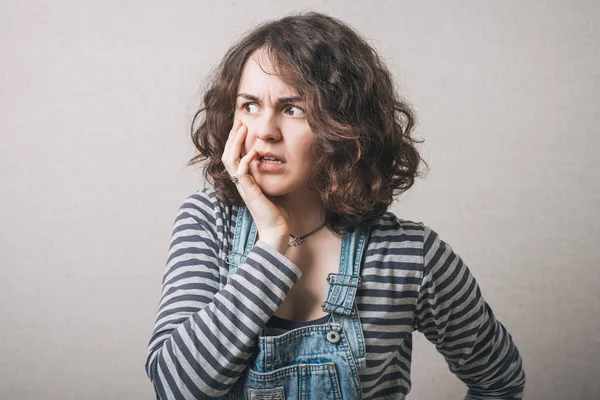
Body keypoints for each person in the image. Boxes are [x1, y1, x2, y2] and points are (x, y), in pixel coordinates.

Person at [144, 11, 526, 400]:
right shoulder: (208, 222)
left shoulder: (409, 256)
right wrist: (271, 243)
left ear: (344, 125)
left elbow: (499, 381)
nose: (264, 131)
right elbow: (176, 387)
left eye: (293, 108)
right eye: (250, 105)